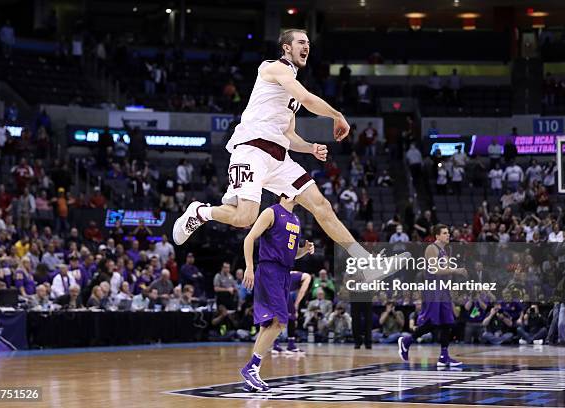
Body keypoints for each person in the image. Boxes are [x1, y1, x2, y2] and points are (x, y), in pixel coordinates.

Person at [171, 29, 404, 284]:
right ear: (286, 48)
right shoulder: (273, 68)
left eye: (308, 43)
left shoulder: (289, 90)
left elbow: (289, 134)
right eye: (301, 42)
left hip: (279, 158)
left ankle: (365, 262)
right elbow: (306, 98)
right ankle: (201, 212)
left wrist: (310, 147)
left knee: (322, 206)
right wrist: (337, 115)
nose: (307, 47)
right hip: (252, 150)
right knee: (245, 218)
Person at [239, 196, 314, 391]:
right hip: (269, 270)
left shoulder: (296, 219)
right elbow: (249, 238)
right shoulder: (271, 212)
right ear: (283, 192)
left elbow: (291, 253)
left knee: (269, 324)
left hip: (284, 273)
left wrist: (304, 250)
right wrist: (249, 267)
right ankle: (251, 367)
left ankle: (252, 374)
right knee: (281, 320)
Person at [398, 224, 467, 367]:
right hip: (432, 288)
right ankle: (406, 341)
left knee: (447, 322)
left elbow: (446, 272)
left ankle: (444, 356)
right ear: (437, 236)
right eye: (445, 233)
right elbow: (435, 270)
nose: (448, 235)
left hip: (443, 289)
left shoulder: (445, 251)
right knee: (432, 322)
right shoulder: (431, 249)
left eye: (448, 232)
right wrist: (456, 270)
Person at [272, 270, 311, 354]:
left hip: (272, 289)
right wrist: (296, 305)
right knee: (292, 317)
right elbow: (302, 291)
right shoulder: (307, 277)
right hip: (281, 291)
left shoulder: (294, 274)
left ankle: (276, 345)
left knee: (278, 318)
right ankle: (291, 346)